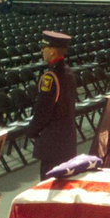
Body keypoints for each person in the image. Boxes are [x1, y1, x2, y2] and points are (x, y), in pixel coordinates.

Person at [29, 31, 78, 179]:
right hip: (67, 138)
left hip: (52, 142)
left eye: (44, 47)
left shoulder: (50, 77)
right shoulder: (68, 72)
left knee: (49, 187)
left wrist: (32, 131)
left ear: (52, 50)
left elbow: (43, 111)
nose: (41, 51)